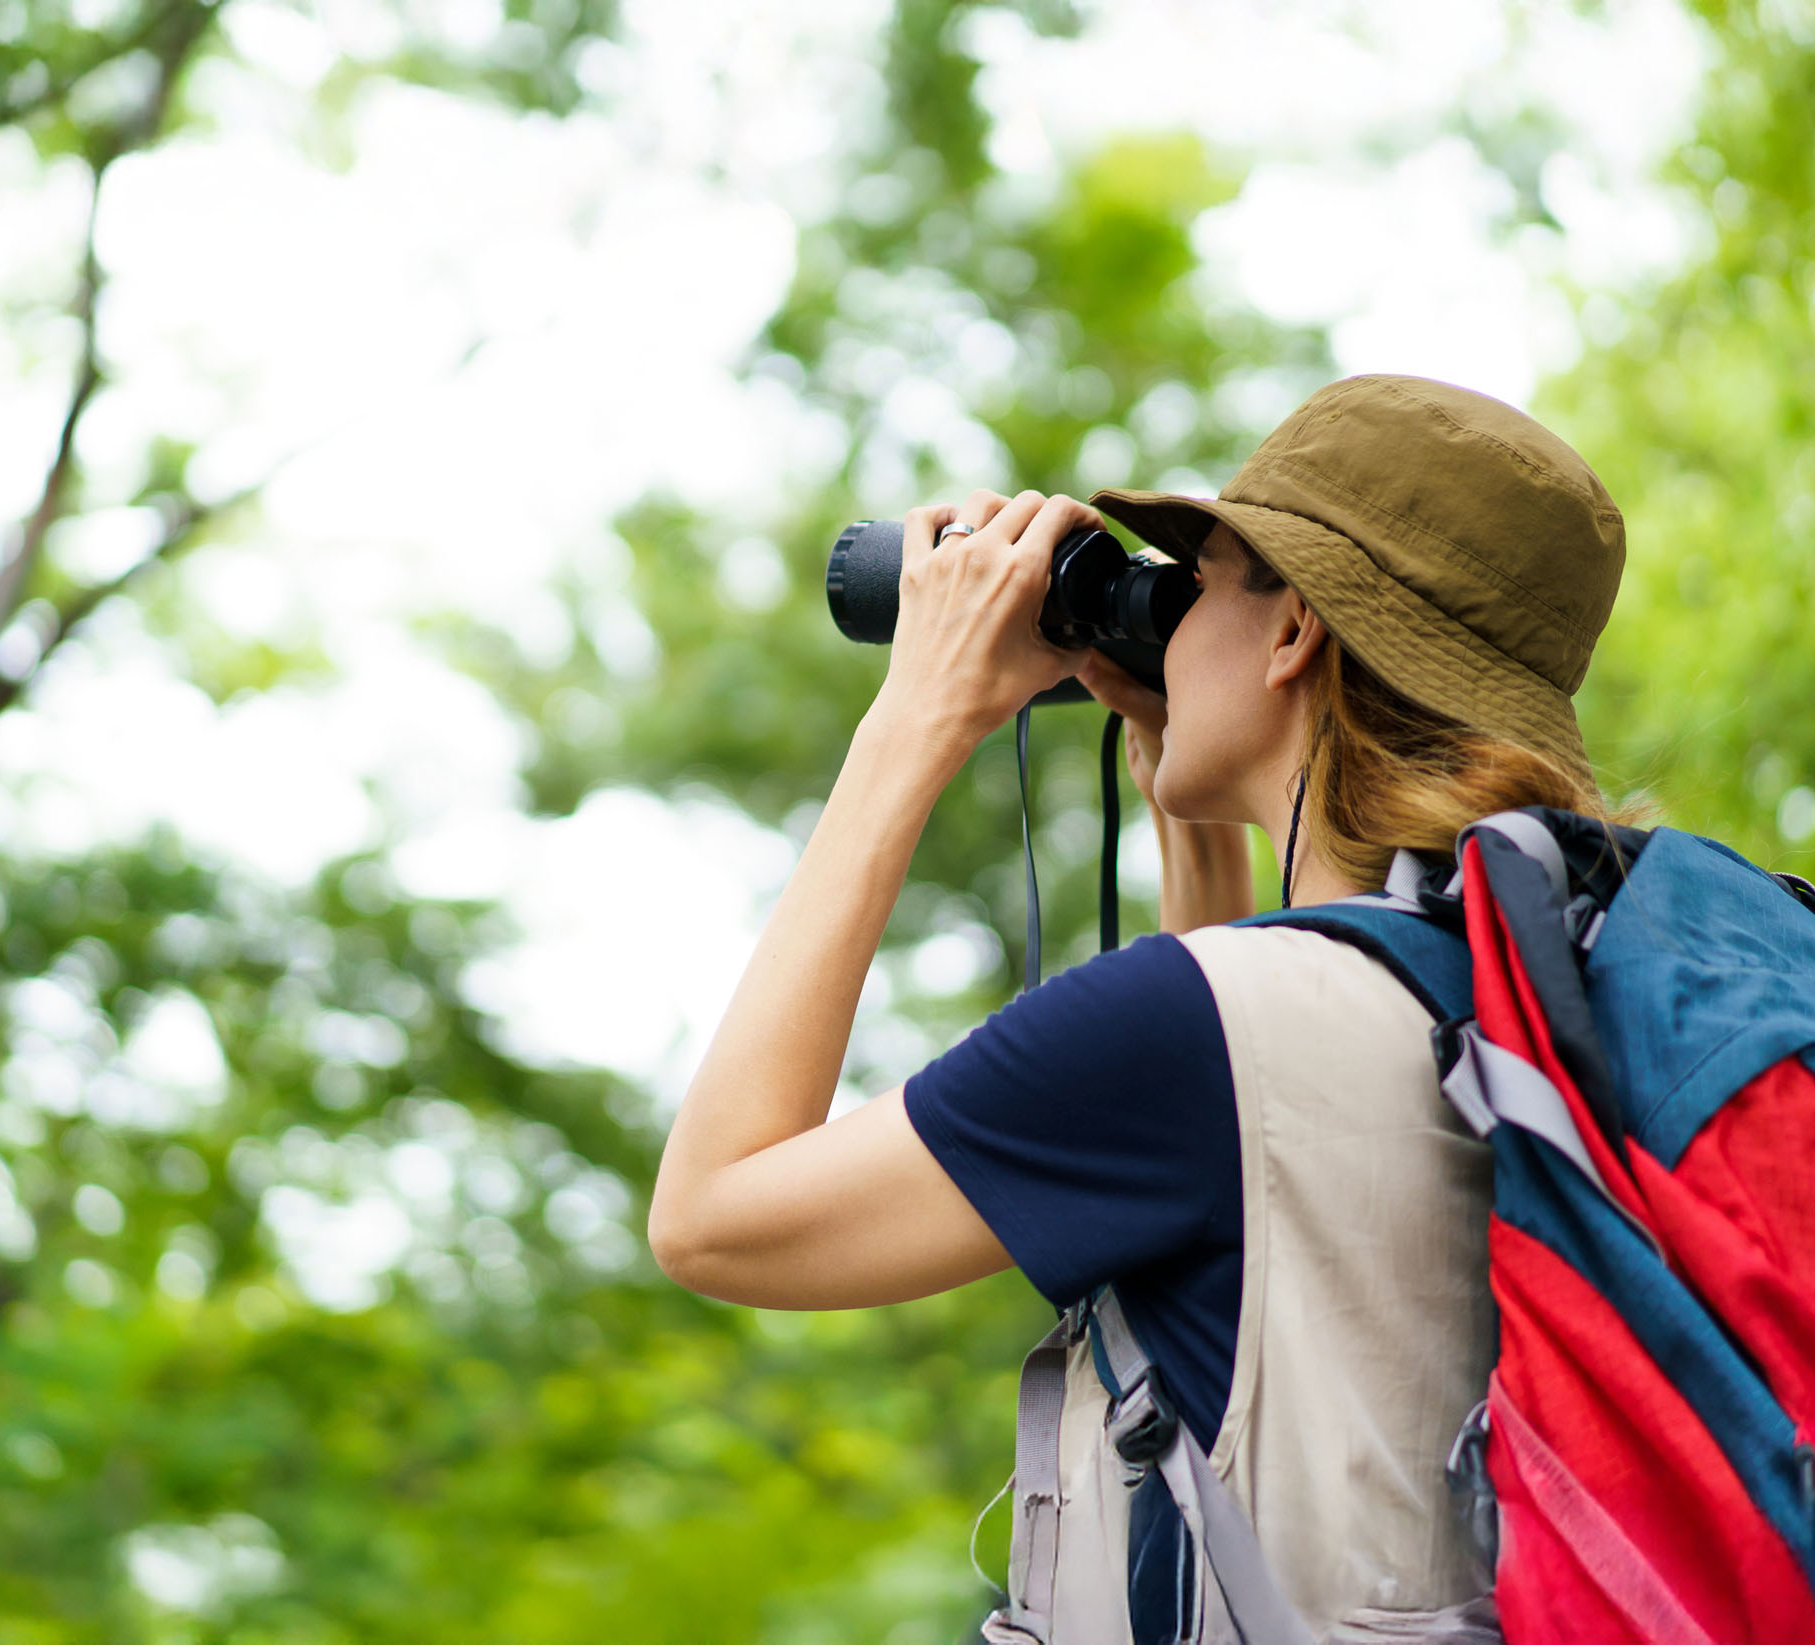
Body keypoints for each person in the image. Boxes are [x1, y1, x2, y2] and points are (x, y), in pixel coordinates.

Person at [647, 375, 1627, 1644]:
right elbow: (1239, 1198)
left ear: (1292, 633)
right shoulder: (1546, 994)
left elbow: (712, 1218)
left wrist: (916, 716)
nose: (1170, 619)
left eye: (1197, 583)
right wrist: (1183, 789)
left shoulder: (1193, 1031)